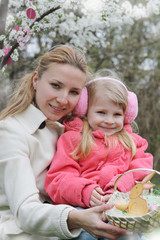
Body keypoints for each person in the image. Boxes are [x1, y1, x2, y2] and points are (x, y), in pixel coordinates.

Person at [0, 47, 130, 240]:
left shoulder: (69, 131)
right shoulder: (10, 131)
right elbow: (25, 212)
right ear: (36, 80)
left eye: (74, 92)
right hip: (21, 232)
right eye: (55, 85)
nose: (63, 100)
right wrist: (77, 217)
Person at [45, 70, 153, 240]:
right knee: (84, 236)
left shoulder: (133, 143)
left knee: (128, 236)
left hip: (121, 208)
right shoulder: (73, 139)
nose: (110, 120)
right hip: (82, 209)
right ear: (85, 110)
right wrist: (85, 191)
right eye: (101, 112)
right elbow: (58, 179)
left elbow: (141, 171)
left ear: (127, 115)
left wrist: (119, 188)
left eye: (117, 114)